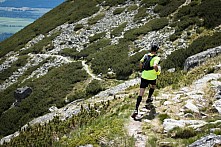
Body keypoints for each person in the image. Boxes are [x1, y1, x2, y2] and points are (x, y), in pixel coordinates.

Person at [131, 43, 161, 118]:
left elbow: (141, 62)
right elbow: (155, 65)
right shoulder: (157, 58)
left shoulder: (145, 55)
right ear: (156, 50)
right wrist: (157, 72)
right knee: (153, 86)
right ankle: (149, 98)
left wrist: (142, 69)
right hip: (152, 76)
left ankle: (136, 109)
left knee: (141, 93)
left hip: (144, 75)